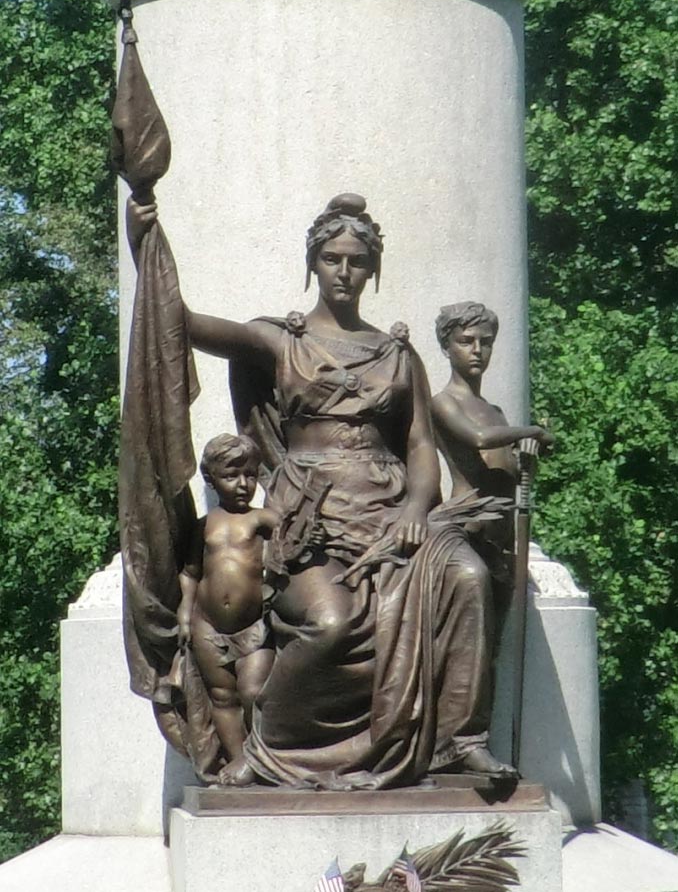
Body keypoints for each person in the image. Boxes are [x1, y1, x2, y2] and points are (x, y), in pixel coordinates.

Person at [127, 193, 515, 788]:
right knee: (330, 623)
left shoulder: (397, 352)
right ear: (313, 263)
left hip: (391, 510)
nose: (344, 271)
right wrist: (143, 244)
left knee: (467, 578)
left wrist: (416, 505)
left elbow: (419, 445)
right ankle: (267, 747)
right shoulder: (284, 341)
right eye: (332, 258)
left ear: (373, 269)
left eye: (357, 260)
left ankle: (460, 742)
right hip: (312, 520)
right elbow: (183, 323)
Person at [432, 301, 554, 624]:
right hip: (467, 533)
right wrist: (531, 431)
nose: (477, 350)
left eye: (485, 343)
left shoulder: (496, 412)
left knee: (495, 654)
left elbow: (509, 472)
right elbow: (479, 439)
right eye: (466, 341)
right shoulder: (443, 403)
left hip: (501, 543)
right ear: (446, 347)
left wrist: (527, 458)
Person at [176, 433, 277, 783]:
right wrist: (184, 614)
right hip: (207, 626)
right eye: (232, 476)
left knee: (253, 691)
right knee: (222, 697)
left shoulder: (264, 520)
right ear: (210, 479)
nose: (243, 484)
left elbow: (292, 547)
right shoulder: (203, 527)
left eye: (250, 475)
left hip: (255, 626)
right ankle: (238, 762)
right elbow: (190, 574)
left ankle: (262, 756)